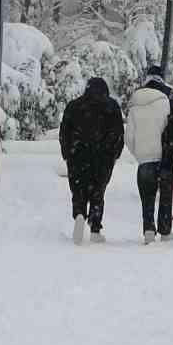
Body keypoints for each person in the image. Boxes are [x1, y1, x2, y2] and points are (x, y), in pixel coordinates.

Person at [125, 67, 173, 243]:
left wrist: (140, 153)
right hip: (166, 157)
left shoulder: (134, 105)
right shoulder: (170, 102)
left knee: (147, 197)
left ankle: (148, 230)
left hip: (144, 160)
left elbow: (128, 137)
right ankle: (165, 231)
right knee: (166, 195)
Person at [59, 76, 124, 244]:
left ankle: (80, 214)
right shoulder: (112, 107)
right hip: (102, 157)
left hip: (77, 155)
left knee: (78, 189)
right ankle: (95, 228)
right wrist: (114, 154)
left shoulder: (74, 106)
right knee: (98, 191)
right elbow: (118, 134)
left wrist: (67, 153)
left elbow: (64, 132)